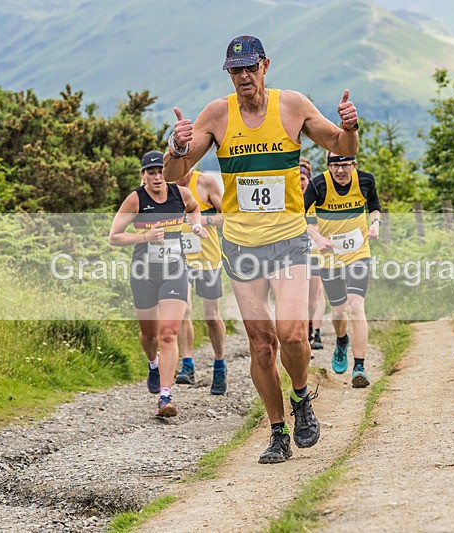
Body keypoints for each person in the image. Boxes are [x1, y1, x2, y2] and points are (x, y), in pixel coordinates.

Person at [163, 35, 360, 463]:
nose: (244, 77)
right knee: (262, 344)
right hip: (241, 245)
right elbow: (178, 173)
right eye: (236, 71)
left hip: (288, 240)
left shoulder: (292, 106)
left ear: (265, 65)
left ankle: (302, 396)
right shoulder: (217, 114)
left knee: (291, 334)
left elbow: (342, 148)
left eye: (250, 68)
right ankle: (276, 431)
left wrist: (349, 127)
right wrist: (176, 148)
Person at [109, 150, 208, 417]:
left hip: (175, 271)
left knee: (168, 333)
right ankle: (152, 363)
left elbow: (195, 208)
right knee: (149, 334)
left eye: (160, 171)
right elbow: (114, 237)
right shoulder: (135, 200)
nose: (156, 176)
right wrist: (144, 237)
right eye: (150, 172)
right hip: (144, 273)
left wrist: (196, 226)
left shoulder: (180, 194)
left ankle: (165, 396)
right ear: (143, 175)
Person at [304, 152, 380, 388]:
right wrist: (317, 237)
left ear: (354, 165)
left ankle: (359, 367)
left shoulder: (366, 181)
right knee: (339, 312)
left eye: (345, 166)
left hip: (358, 253)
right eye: (334, 166)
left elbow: (375, 207)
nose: (339, 171)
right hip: (330, 256)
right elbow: (299, 216)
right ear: (328, 166)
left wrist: (375, 224)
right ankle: (341, 339)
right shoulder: (318, 184)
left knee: (356, 305)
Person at [174, 169, 228, 395]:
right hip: (179, 258)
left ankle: (219, 363)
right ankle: (187, 365)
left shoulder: (205, 182)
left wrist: (202, 220)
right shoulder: (164, 187)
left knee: (211, 317)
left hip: (208, 257)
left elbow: (228, 214)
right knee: (183, 309)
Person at [300, 156, 326, 352]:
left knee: (315, 295)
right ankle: (306, 330)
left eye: (303, 179)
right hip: (297, 253)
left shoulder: (316, 200)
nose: (300, 183)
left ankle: (314, 331)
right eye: (297, 179)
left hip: (318, 253)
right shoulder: (290, 199)